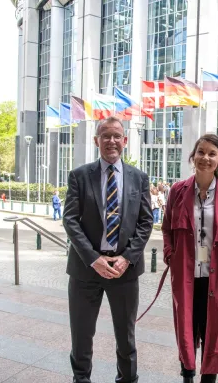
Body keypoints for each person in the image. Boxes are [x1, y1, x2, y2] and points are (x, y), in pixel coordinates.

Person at [63, 117, 153, 383]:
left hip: (125, 272)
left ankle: (127, 380)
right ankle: (81, 380)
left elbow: (146, 222)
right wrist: (93, 259)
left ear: (125, 141)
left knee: (126, 338)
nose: (111, 141)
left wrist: (127, 258)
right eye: (105, 135)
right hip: (85, 271)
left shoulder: (139, 178)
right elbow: (70, 220)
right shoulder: (79, 176)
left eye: (116, 136)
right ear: (96, 141)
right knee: (81, 336)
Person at [162, 134, 218, 383]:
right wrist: (170, 255)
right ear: (193, 156)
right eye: (201, 152)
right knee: (186, 330)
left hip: (217, 279)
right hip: (186, 277)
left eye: (212, 154)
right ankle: (187, 376)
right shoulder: (178, 191)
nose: (205, 158)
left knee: (214, 334)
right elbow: (166, 228)